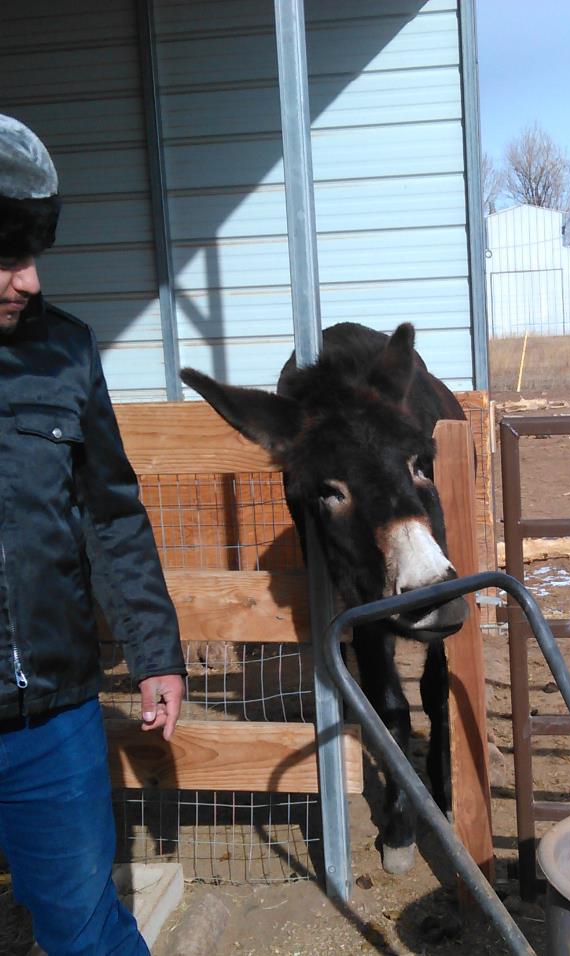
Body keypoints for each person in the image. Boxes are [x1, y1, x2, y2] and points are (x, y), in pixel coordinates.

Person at [0, 115, 186, 954]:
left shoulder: (65, 353)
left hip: (52, 719)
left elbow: (111, 511)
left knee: (80, 920)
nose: (30, 280)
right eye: (7, 257)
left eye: (34, 254)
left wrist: (155, 653)